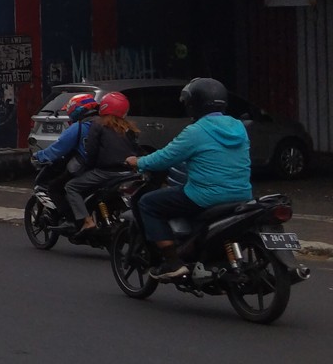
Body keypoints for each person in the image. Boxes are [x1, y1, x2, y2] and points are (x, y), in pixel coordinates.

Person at [126, 77, 251, 281]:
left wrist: (138, 162)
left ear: (194, 104)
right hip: (241, 194)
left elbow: (165, 158)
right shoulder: (238, 127)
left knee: (147, 203)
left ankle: (173, 263)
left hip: (204, 196)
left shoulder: (196, 131)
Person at [65, 91, 139, 242]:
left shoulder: (98, 125)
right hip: (128, 173)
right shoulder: (130, 129)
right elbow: (136, 150)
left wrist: (88, 167)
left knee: (71, 187)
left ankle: (87, 221)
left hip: (105, 172)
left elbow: (91, 151)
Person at [32, 93, 99, 230]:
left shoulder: (79, 127)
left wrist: (39, 156)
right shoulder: (105, 124)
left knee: (55, 188)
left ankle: (71, 220)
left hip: (85, 168)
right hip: (104, 167)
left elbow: (58, 149)